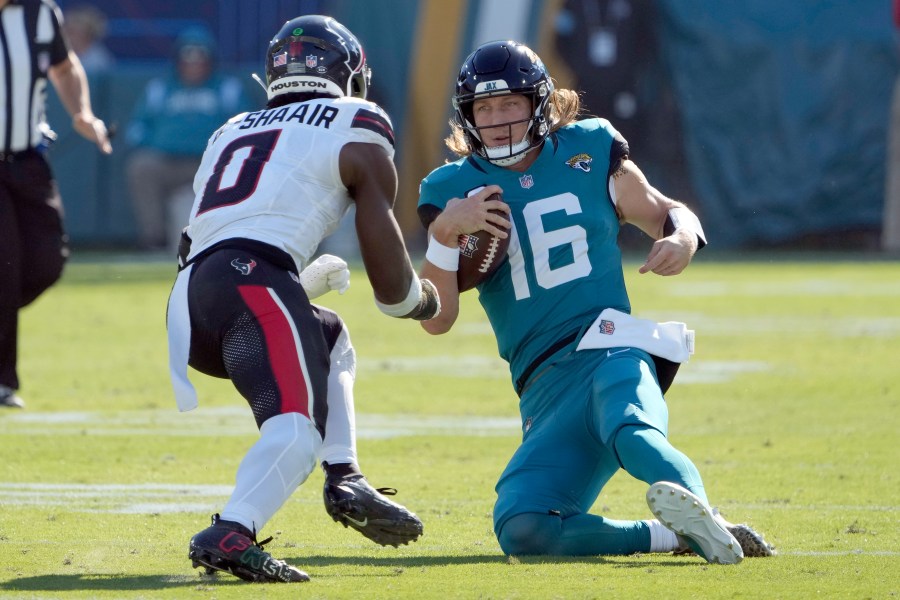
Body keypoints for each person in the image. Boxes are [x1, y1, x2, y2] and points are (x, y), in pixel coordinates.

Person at [416, 40, 774, 563]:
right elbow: (437, 320)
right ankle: (675, 535)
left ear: (538, 104)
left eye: (510, 104)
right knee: (523, 529)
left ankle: (705, 514)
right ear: (467, 116)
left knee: (629, 428)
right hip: (543, 385)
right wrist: (446, 233)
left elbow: (665, 211)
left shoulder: (589, 148)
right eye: (483, 108)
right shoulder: (450, 188)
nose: (496, 119)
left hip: (610, 344)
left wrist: (683, 237)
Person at [165, 15, 440, 583]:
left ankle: (346, 477)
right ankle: (232, 531)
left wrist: (290, 289)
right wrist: (421, 300)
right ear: (351, 75)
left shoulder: (231, 129)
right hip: (251, 278)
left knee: (330, 334)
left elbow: (198, 242)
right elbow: (391, 291)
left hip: (188, 299)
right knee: (293, 430)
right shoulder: (357, 118)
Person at [0, 0, 112, 409]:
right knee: (5, 266)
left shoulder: (40, 13)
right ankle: (2, 381)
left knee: (47, 261)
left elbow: (64, 67)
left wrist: (81, 113)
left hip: (27, 158)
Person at [126, 25, 251, 252]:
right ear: (178, 61)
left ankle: (233, 239)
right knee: (142, 165)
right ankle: (154, 239)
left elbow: (245, 130)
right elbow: (137, 127)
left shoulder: (227, 88)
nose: (193, 66)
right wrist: (155, 141)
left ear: (210, 60)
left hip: (212, 164)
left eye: (199, 60)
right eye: (188, 60)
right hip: (168, 163)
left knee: (240, 166)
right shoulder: (160, 88)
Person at [62, 4, 115, 76]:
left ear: (85, 34)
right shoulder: (61, 55)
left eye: (72, 32)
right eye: (67, 31)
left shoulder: (99, 60)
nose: (67, 36)